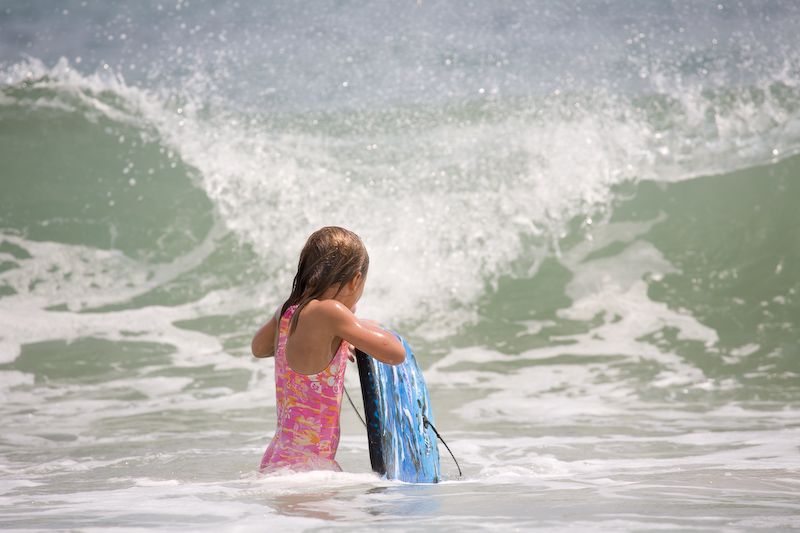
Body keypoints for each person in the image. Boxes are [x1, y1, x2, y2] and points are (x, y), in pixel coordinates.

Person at [251, 226, 405, 473]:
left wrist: (336, 337)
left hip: (278, 458)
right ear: (356, 279)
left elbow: (259, 348)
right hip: (307, 468)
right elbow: (395, 353)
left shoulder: (288, 311)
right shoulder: (330, 313)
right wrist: (352, 328)